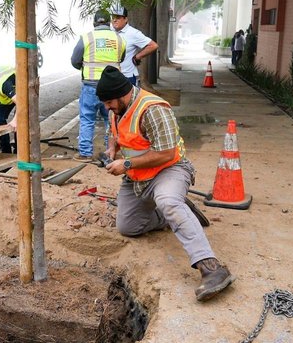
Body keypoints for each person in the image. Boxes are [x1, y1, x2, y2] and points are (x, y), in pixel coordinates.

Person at [96, 65, 234, 301]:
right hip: (138, 177)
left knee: (167, 200)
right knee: (128, 227)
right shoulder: (116, 110)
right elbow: (116, 134)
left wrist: (126, 165)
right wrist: (111, 150)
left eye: (109, 102)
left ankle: (212, 268)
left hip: (169, 169)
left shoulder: (153, 109)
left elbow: (167, 153)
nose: (107, 107)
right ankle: (179, 213)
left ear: (122, 94)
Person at [70, 10, 127, 162]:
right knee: (112, 119)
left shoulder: (87, 37)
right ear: (109, 22)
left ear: (94, 23)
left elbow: (75, 60)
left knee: (87, 118)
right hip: (112, 88)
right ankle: (111, 151)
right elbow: (121, 58)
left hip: (91, 86)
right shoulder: (119, 39)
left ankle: (85, 153)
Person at [110, 5, 158, 86]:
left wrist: (137, 57)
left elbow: (153, 45)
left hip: (127, 77)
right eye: (113, 17)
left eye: (118, 17)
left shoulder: (133, 33)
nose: (114, 20)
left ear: (125, 19)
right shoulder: (109, 31)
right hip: (110, 76)